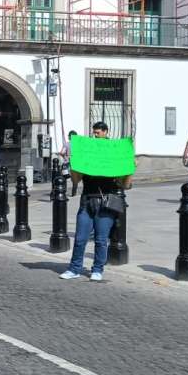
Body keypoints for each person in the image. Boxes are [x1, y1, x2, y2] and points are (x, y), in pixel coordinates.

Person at [61, 121, 132, 283]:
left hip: (106, 202)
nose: (95, 135)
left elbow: (125, 185)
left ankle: (97, 270)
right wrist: (74, 165)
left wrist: (130, 170)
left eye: (98, 133)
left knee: (101, 239)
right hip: (87, 200)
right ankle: (74, 268)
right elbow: (76, 181)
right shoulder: (88, 152)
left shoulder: (114, 152)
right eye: (94, 133)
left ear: (106, 132)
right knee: (80, 238)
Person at [61, 130, 78, 196]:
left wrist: (65, 157)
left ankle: (63, 192)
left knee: (64, 178)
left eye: (68, 135)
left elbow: (62, 153)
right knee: (75, 180)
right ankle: (74, 193)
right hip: (75, 164)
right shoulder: (78, 145)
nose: (68, 137)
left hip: (67, 163)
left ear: (70, 136)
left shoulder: (67, 144)